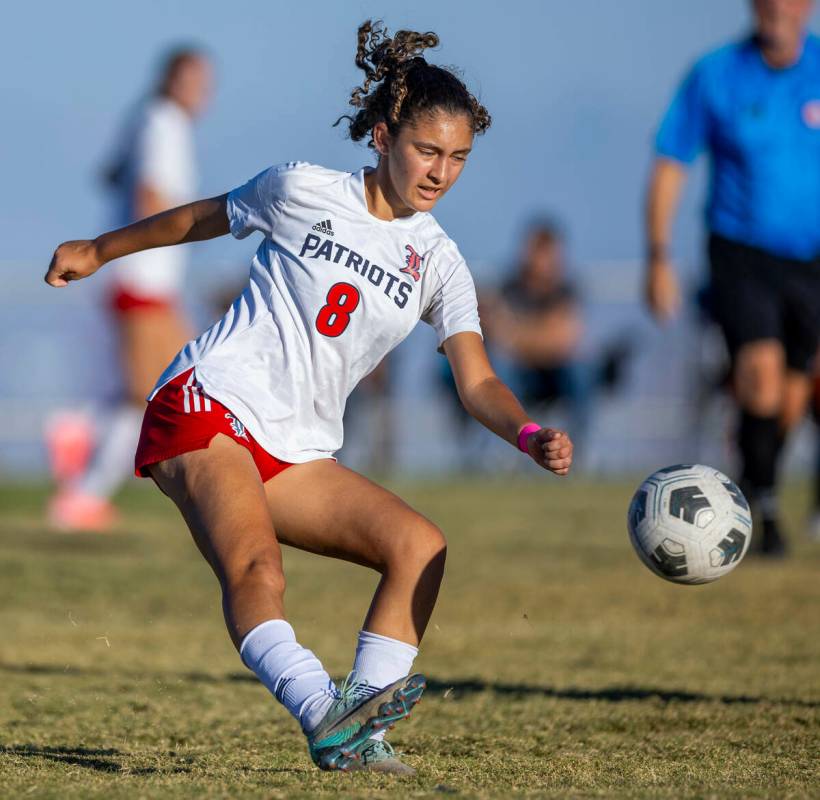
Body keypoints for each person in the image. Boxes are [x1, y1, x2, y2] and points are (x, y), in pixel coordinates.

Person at [43, 21, 573, 774]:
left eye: (458, 158)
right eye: (427, 150)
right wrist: (99, 249)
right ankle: (322, 710)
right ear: (385, 137)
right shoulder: (301, 189)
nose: (440, 172)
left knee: (419, 549)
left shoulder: (441, 263)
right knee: (258, 572)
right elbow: (199, 217)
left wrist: (527, 434)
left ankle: (362, 729)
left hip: (292, 446)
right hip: (206, 405)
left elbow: (479, 380)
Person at [644, 0, 820, 556]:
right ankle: (764, 512)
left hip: (812, 261)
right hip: (741, 253)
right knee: (759, 373)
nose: (774, 8)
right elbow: (671, 161)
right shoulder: (716, 74)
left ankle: (750, 486)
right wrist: (658, 255)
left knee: (794, 392)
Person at [48, 47, 213, 531]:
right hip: (144, 278)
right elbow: (148, 192)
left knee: (170, 383)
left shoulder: (144, 117)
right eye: (196, 82)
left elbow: (111, 173)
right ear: (174, 81)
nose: (202, 94)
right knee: (160, 387)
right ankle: (78, 467)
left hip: (140, 279)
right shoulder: (165, 123)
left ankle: (84, 475)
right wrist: (182, 232)